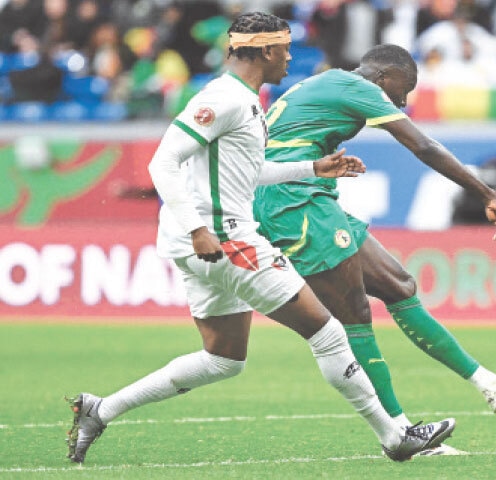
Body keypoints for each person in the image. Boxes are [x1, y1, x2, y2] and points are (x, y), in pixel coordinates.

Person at [65, 12, 454, 465]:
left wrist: (312, 168)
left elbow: (249, 173)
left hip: (200, 242)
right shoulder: (224, 99)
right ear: (266, 50)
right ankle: (396, 436)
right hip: (224, 240)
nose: (291, 57)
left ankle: (100, 409)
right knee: (329, 332)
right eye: (285, 49)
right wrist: (198, 229)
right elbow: (162, 163)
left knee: (223, 359)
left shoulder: (248, 100)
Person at [252, 44, 496, 454]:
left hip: (308, 195)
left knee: (399, 284)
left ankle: (489, 384)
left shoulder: (329, 82)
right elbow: (424, 146)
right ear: (385, 77)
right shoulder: (358, 86)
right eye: (403, 91)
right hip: (290, 201)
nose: (403, 102)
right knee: (353, 312)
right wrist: (486, 195)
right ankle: (400, 432)